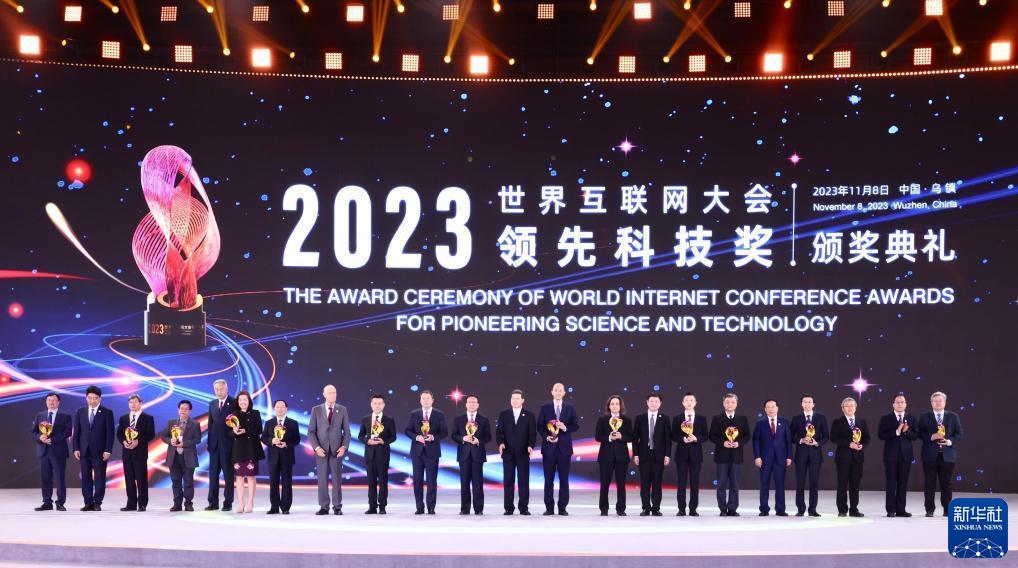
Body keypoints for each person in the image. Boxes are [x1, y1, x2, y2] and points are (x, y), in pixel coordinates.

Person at [917, 391, 964, 517]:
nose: (938, 403)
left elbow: (959, 433)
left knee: (946, 484)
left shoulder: (953, 416)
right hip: (929, 455)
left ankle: (947, 509)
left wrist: (949, 441)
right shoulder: (924, 416)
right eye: (935, 401)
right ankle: (929, 509)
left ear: (945, 402)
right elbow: (918, 433)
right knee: (929, 483)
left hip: (947, 455)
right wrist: (931, 436)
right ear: (931, 403)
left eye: (940, 400)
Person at [308, 384, 351, 515]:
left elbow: (347, 432)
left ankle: (337, 506)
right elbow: (311, 432)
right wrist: (316, 448)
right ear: (324, 394)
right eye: (330, 393)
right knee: (322, 480)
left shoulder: (342, 409)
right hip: (321, 451)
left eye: (334, 393)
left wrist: (344, 447)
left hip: (337, 451)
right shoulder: (316, 410)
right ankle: (324, 507)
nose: (333, 395)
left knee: (337, 480)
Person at [537, 382, 579, 516]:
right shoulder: (545, 407)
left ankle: (562, 508)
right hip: (549, 448)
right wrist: (547, 437)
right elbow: (540, 426)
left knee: (564, 479)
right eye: (556, 390)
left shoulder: (570, 408)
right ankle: (549, 508)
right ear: (552, 392)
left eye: (560, 390)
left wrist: (565, 428)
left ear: (564, 393)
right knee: (548, 480)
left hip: (564, 449)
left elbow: (575, 425)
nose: (558, 392)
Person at [72, 385, 114, 511]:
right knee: (85, 477)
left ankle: (97, 502)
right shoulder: (80, 412)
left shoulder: (107, 412)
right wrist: (76, 448)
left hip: (100, 452)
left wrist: (108, 450)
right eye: (90, 398)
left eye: (95, 398)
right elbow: (76, 433)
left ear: (100, 398)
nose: (92, 400)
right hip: (84, 451)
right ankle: (88, 502)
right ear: (86, 398)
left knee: (99, 477)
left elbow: (110, 434)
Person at [405, 390, 448, 514]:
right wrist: (416, 437)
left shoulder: (439, 414)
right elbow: (408, 430)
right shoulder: (414, 414)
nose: (425, 400)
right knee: (417, 481)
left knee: (432, 480)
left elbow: (444, 432)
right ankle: (419, 507)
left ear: (432, 400)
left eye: (428, 398)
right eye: (423, 398)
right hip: (417, 452)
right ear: (420, 400)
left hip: (432, 452)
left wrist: (433, 437)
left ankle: (431, 507)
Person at [495, 389, 537, 515]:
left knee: (523, 481)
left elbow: (532, 433)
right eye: (513, 398)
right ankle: (508, 508)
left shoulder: (529, 415)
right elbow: (499, 432)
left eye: (517, 398)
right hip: (508, 452)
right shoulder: (504, 414)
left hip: (523, 452)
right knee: (508, 480)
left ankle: (523, 508)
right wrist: (501, 443)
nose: (515, 400)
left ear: (522, 400)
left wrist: (530, 446)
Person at [709, 393, 750, 516]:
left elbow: (747, 435)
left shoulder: (742, 419)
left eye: (732, 402)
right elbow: (712, 435)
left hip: (736, 456)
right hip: (721, 456)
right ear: (723, 404)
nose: (730, 404)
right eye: (727, 402)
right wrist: (723, 443)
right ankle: (722, 509)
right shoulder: (717, 418)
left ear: (736, 404)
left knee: (735, 484)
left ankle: (732, 509)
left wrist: (738, 443)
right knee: (721, 484)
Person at [878, 394, 918, 517]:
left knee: (903, 483)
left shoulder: (911, 418)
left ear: (905, 404)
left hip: (906, 456)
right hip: (891, 455)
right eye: (897, 402)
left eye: (902, 402)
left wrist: (906, 431)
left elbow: (915, 436)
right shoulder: (886, 418)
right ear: (893, 404)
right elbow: (881, 435)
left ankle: (901, 509)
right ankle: (890, 509)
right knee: (891, 482)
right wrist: (897, 431)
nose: (900, 404)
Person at [830, 396, 870, 517]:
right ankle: (842, 510)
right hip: (843, 458)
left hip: (858, 458)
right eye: (847, 406)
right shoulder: (837, 421)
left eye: (852, 406)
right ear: (842, 408)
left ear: (855, 408)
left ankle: (854, 509)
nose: (850, 408)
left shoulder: (862, 421)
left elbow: (867, 437)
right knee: (842, 484)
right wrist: (848, 444)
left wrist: (862, 445)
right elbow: (833, 437)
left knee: (855, 485)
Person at [32, 392, 72, 511]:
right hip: (43, 452)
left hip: (58, 451)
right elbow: (34, 432)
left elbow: (68, 432)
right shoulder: (40, 415)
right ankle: (47, 502)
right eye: (49, 400)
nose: (51, 402)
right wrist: (40, 437)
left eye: (54, 400)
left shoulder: (65, 416)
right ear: (46, 402)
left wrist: (52, 440)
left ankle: (60, 503)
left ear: (58, 402)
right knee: (45, 478)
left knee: (60, 478)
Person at [752, 399, 792, 516]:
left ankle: (780, 509)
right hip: (764, 459)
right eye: (768, 407)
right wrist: (757, 456)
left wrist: (789, 456)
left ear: (777, 408)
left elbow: (788, 440)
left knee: (780, 485)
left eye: (773, 406)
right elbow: (756, 441)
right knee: (764, 484)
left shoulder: (784, 422)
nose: (771, 409)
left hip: (780, 458)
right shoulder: (760, 423)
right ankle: (764, 509)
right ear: (765, 409)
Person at [357, 394, 397, 514]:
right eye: (375, 403)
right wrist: (367, 441)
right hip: (370, 455)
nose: (377, 405)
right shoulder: (366, 419)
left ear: (383, 405)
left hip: (383, 455)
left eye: (379, 403)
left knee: (383, 482)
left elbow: (393, 437)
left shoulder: (389, 419)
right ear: (371, 405)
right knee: (371, 482)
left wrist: (383, 441)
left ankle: (382, 506)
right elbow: (360, 435)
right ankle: (372, 506)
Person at [789, 394, 828, 517]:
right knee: (800, 483)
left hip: (815, 455)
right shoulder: (796, 418)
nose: (807, 404)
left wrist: (817, 443)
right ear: (801, 404)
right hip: (801, 455)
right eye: (805, 402)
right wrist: (801, 440)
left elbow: (826, 436)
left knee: (814, 483)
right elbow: (790, 436)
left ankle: (812, 509)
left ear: (813, 404)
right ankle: (800, 509)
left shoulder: (821, 418)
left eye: (809, 402)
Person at [453, 394, 492, 515]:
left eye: (474, 402)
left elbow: (488, 437)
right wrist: (463, 438)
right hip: (463, 455)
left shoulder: (484, 419)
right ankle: (464, 509)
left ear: (478, 405)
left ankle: (478, 509)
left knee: (478, 484)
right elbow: (454, 435)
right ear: (466, 404)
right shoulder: (459, 419)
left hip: (478, 455)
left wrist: (478, 441)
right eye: (469, 402)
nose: (471, 404)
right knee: (464, 483)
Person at [632, 393, 670, 516]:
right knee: (644, 483)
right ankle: (646, 508)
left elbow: (667, 439)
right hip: (644, 454)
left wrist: (667, 455)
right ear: (647, 402)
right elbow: (634, 438)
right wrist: (635, 454)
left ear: (660, 404)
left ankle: (656, 508)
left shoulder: (664, 418)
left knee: (657, 483)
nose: (654, 403)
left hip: (659, 455)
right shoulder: (640, 418)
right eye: (651, 401)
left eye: (656, 401)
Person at [595, 394, 632, 516]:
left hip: (622, 457)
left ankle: (621, 509)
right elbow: (597, 437)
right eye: (612, 404)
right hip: (606, 456)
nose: (615, 406)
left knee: (621, 484)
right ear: (609, 406)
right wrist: (609, 438)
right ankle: (603, 509)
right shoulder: (602, 420)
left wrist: (621, 436)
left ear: (621, 406)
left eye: (617, 404)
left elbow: (631, 437)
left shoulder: (627, 421)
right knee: (604, 484)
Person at [672, 392, 708, 516]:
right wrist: (682, 438)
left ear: (695, 403)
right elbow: (673, 435)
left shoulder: (701, 418)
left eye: (691, 400)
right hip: (681, 454)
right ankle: (681, 509)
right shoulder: (677, 418)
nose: (689, 402)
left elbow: (705, 435)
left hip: (696, 455)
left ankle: (693, 509)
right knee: (681, 482)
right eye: (686, 400)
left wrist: (696, 438)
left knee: (695, 482)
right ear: (683, 403)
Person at [116, 394, 155, 511]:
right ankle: (131, 504)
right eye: (130, 402)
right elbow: (119, 434)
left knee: (141, 479)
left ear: (140, 403)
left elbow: (150, 434)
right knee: (129, 480)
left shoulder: (148, 418)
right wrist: (123, 442)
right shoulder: (123, 418)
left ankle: (142, 504)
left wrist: (138, 441)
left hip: (140, 453)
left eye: (135, 402)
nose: (133, 404)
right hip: (127, 453)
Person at [228, 390, 264, 513]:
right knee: (239, 476)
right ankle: (240, 502)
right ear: (237, 402)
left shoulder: (255, 413)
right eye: (240, 400)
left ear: (249, 401)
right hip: (238, 449)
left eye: (245, 400)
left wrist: (245, 431)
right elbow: (228, 433)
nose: (243, 402)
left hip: (251, 448)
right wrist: (234, 432)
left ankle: (250, 501)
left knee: (251, 476)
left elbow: (259, 430)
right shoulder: (233, 415)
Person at [261, 399, 300, 515]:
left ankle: (285, 507)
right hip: (273, 457)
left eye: (282, 406)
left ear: (286, 408)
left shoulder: (293, 423)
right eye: (277, 406)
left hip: (287, 456)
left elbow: (297, 439)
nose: (280, 409)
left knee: (287, 482)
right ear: (274, 409)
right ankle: (274, 506)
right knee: (273, 482)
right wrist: (271, 441)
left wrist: (286, 444)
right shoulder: (269, 423)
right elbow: (263, 438)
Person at [162, 400, 200, 512]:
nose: (183, 411)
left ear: (190, 411)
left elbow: (197, 439)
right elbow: (164, 436)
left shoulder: (195, 424)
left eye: (186, 409)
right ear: (178, 410)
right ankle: (177, 504)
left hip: (188, 457)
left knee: (188, 482)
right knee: (176, 482)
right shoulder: (171, 422)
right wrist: (170, 441)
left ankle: (188, 504)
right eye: (181, 408)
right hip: (174, 457)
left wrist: (184, 443)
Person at [205, 379, 236, 511]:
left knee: (228, 475)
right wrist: (209, 443)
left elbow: (236, 425)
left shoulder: (234, 402)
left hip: (228, 445)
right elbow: (210, 424)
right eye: (216, 389)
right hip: (214, 446)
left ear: (226, 388)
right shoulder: (212, 403)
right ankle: (213, 503)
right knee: (213, 476)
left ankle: (228, 503)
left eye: (221, 389)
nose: (219, 391)